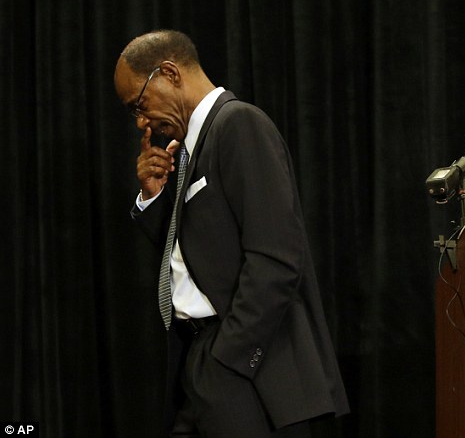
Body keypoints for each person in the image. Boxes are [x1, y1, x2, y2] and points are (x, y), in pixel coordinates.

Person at [113, 30, 349, 437]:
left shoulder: (238, 124)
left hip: (244, 372)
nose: (140, 120)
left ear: (169, 73)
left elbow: (277, 258)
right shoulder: (191, 147)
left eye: (139, 103)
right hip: (201, 362)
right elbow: (196, 253)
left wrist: (229, 358)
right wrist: (153, 199)